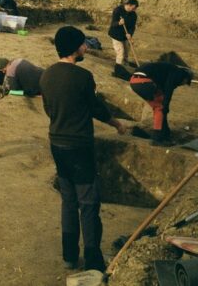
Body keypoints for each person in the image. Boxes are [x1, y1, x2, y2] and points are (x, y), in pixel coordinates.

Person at [39, 26, 127, 272]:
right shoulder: (83, 77)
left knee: (68, 200)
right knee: (88, 202)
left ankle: (69, 255)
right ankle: (93, 259)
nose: (86, 47)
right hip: (79, 147)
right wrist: (116, 123)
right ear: (75, 48)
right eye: (83, 44)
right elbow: (96, 109)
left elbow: (49, 109)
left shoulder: (46, 75)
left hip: (56, 142)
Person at [129, 62, 192, 146]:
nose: (183, 84)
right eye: (185, 82)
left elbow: (163, 90)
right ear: (186, 77)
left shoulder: (165, 71)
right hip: (145, 81)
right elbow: (168, 90)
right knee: (160, 108)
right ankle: (157, 138)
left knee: (158, 107)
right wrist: (165, 106)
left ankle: (163, 133)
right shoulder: (178, 72)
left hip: (134, 81)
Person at [108, 0, 138, 66]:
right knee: (120, 52)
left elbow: (132, 27)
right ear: (129, 5)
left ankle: (125, 65)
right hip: (116, 35)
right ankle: (118, 67)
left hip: (125, 36)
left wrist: (130, 34)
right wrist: (119, 23)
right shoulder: (118, 10)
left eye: (135, 8)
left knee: (126, 52)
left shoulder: (133, 14)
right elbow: (113, 24)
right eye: (133, 8)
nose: (134, 10)